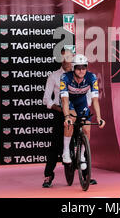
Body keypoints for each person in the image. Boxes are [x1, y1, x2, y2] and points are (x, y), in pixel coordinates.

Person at [60, 54, 105, 176]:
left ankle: (82, 155)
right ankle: (66, 152)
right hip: (69, 101)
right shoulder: (65, 77)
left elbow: (95, 100)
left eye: (84, 67)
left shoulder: (92, 77)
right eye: (78, 68)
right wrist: (66, 117)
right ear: (73, 68)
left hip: (81, 102)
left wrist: (99, 117)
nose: (81, 70)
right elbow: (64, 100)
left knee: (86, 128)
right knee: (71, 119)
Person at [41, 49, 74, 188]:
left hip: (76, 111)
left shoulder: (79, 73)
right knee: (55, 145)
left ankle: (86, 175)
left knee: (83, 138)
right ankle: (48, 175)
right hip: (60, 112)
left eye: (70, 56)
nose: (67, 59)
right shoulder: (54, 76)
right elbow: (46, 99)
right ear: (61, 58)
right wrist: (58, 108)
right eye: (65, 56)